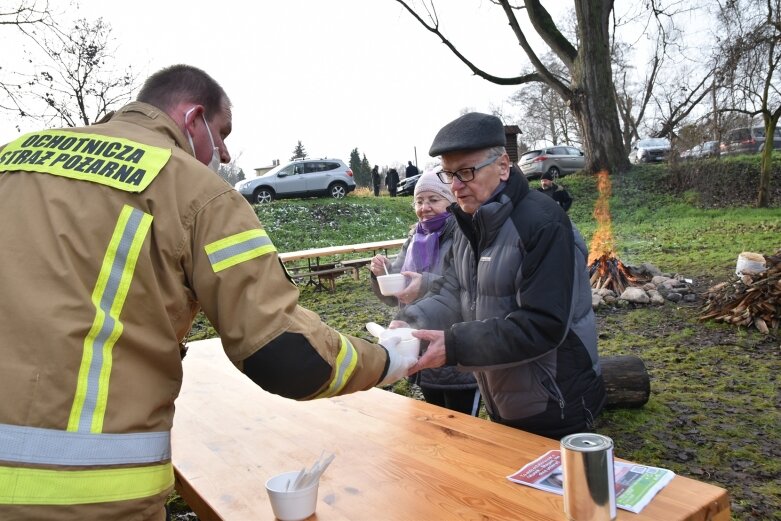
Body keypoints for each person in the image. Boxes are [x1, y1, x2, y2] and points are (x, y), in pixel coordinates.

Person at [0, 64, 415, 521]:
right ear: (193, 118)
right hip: (90, 494)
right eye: (221, 134)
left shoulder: (13, 158)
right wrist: (389, 360)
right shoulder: (194, 190)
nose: (223, 152)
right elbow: (285, 354)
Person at [397, 112, 606, 440]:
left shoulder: (543, 224)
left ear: (504, 166)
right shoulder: (470, 223)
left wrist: (454, 346)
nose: (455, 186)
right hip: (504, 394)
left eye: (466, 172)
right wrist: (412, 322)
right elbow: (455, 290)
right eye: (449, 174)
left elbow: (542, 324)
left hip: (556, 399)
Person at [369, 171, 480, 416]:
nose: (425, 207)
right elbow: (396, 287)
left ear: (450, 201)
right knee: (434, 419)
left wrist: (424, 284)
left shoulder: (463, 235)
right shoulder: (414, 237)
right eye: (419, 201)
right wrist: (381, 275)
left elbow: (463, 285)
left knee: (462, 427)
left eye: (433, 200)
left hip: (453, 346)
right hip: (418, 343)